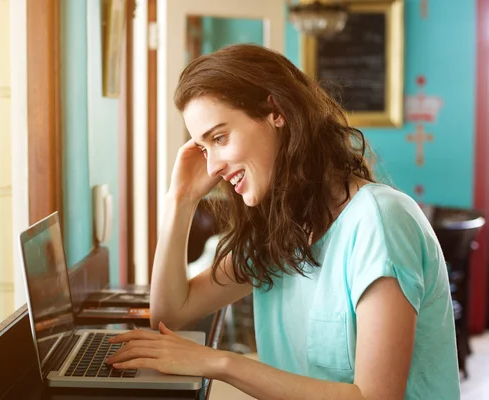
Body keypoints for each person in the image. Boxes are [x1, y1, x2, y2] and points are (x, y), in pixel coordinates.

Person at [106, 44, 460, 399]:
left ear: (275, 111)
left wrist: (219, 363)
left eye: (219, 138)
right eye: (203, 148)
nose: (212, 166)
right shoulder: (283, 230)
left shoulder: (380, 221)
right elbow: (171, 315)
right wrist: (179, 201)